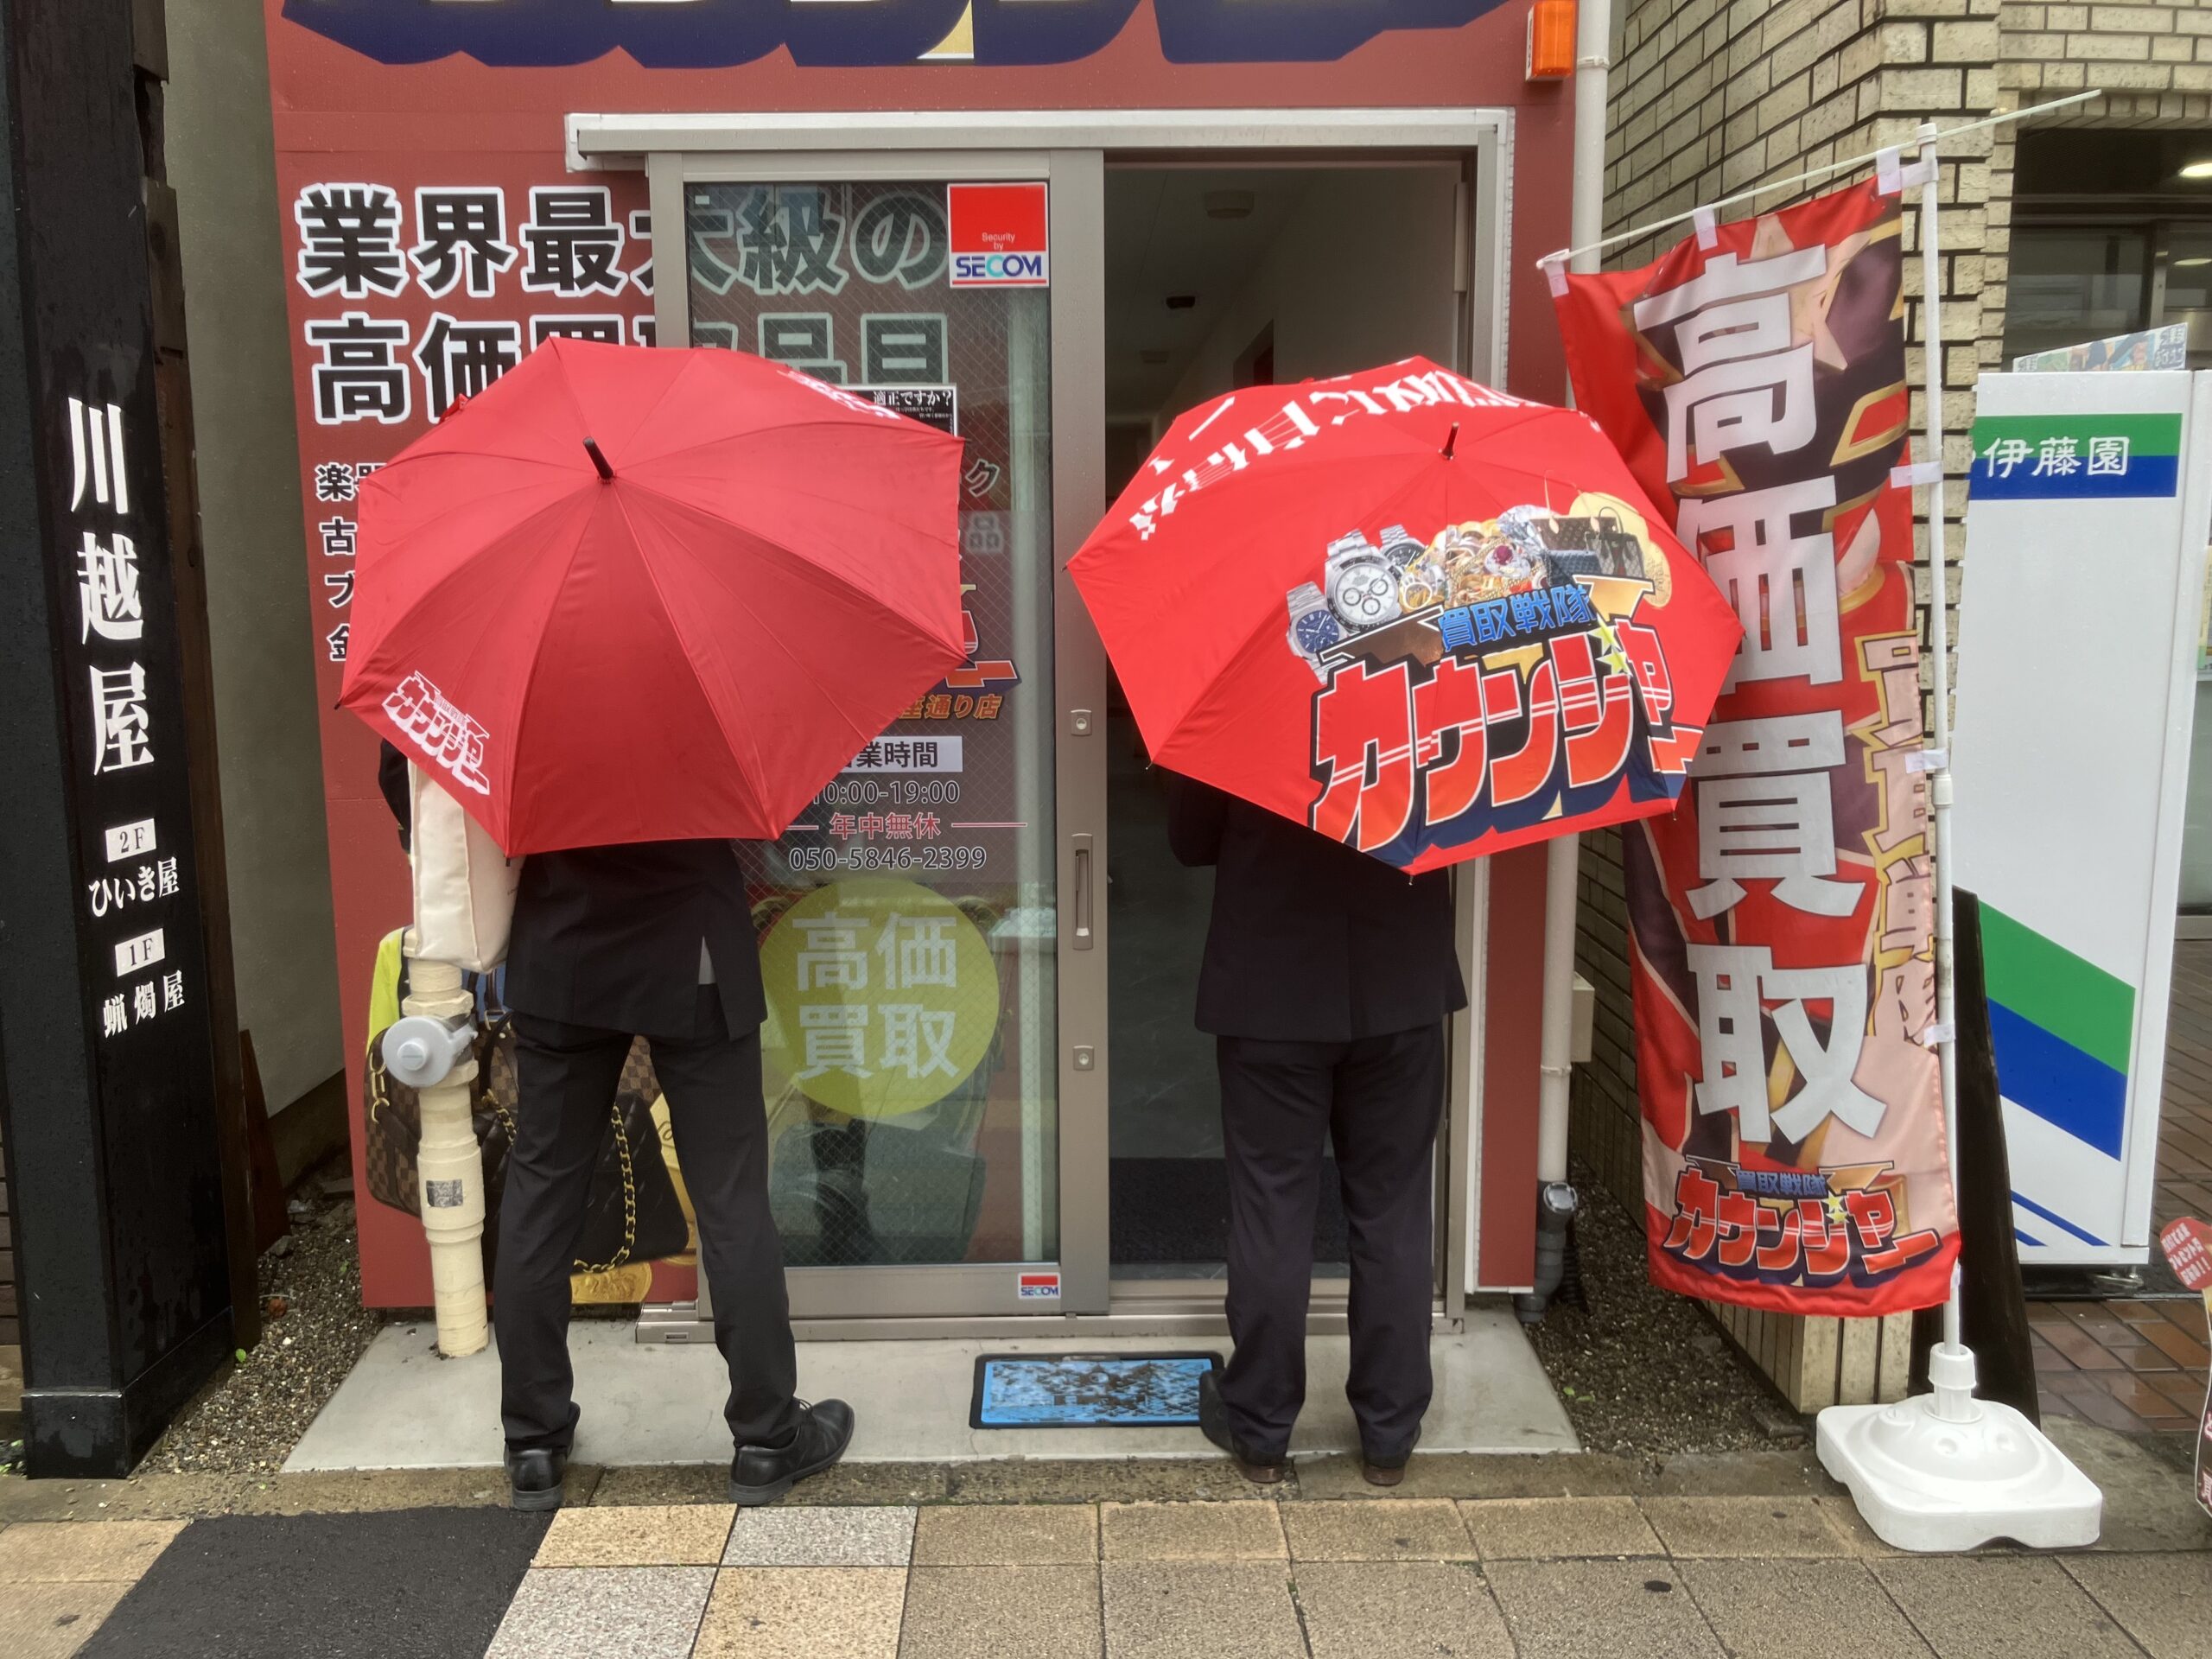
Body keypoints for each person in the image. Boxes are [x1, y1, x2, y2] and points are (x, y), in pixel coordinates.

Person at [379, 741, 852, 1510]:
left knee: (542, 1188)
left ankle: (532, 1440)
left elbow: (408, 784)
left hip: (561, 945)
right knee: (731, 1197)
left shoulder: (517, 657)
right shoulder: (706, 644)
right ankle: (766, 1438)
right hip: (693, 944)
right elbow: (786, 793)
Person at [1166, 772, 1465, 1486]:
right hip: (1402, 983)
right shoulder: (1427, 684)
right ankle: (1390, 1434)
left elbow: (1189, 841)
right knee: (1394, 1209)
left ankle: (1262, 1429)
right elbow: (1465, 817)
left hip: (1270, 990)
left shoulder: (1234, 692)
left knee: (1272, 1208)